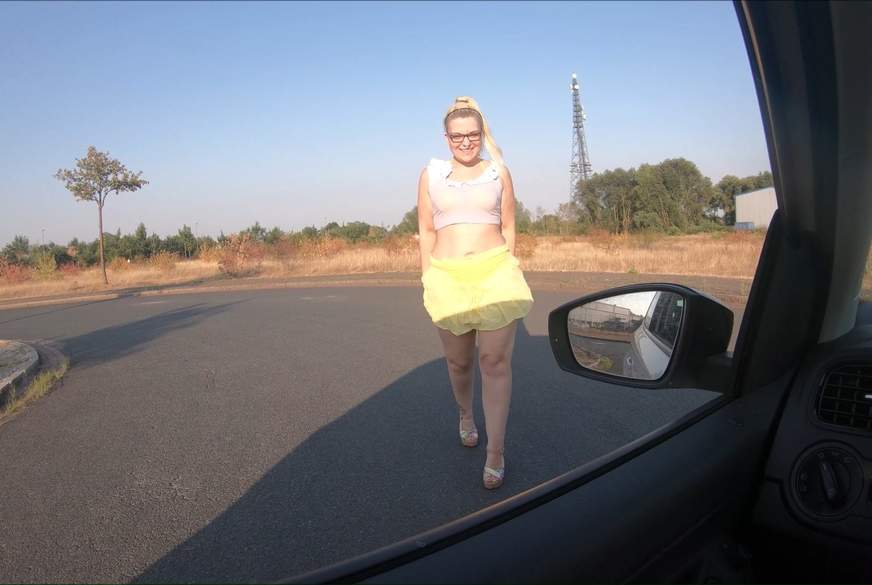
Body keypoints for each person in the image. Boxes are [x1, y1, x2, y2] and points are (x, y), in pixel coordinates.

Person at [417, 96, 534, 489]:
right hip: (447, 276)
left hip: (495, 272)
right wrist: (428, 277)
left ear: (482, 134)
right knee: (459, 363)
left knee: (494, 362)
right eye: (457, 136)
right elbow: (426, 230)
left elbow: (509, 225)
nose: (465, 142)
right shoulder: (431, 175)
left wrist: (509, 264)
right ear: (446, 138)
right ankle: (466, 414)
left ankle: (495, 452)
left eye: (472, 134)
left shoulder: (499, 172)